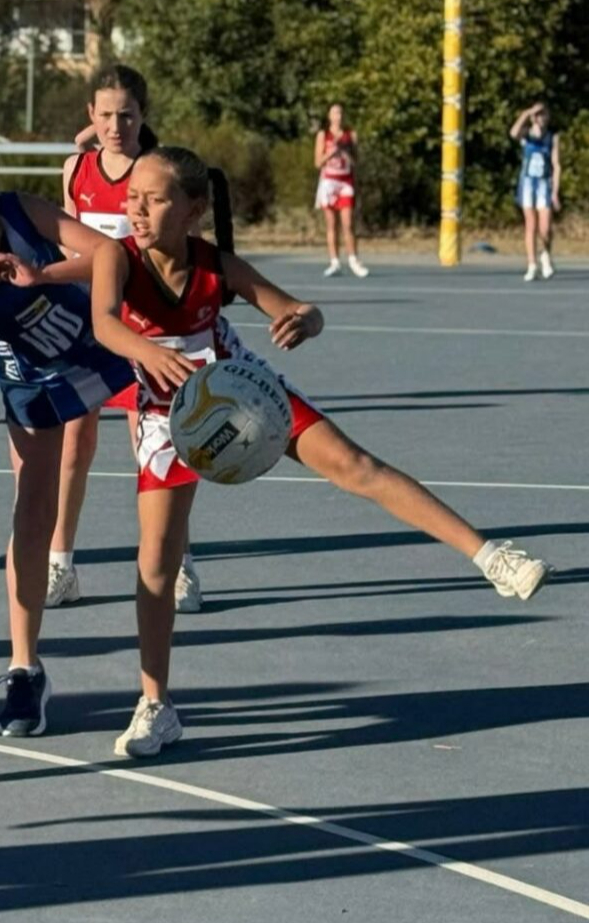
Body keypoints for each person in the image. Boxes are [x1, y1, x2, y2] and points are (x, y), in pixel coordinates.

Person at [82, 146, 550, 758]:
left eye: (154, 199)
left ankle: (492, 557)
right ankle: (156, 704)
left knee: (355, 465)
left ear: (194, 209)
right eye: (132, 198)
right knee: (156, 562)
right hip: (167, 411)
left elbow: (302, 309)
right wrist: (148, 352)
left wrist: (305, 320)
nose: (137, 209)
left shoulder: (216, 263)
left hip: (237, 387)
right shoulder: (117, 256)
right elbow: (105, 323)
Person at [48, 63, 203, 613]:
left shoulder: (157, 173)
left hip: (143, 331)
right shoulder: (76, 169)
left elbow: (180, 251)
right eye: (107, 115)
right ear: (91, 114)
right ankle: (61, 565)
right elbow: (70, 246)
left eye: (128, 115)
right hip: (87, 328)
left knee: (155, 452)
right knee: (73, 447)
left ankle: (178, 564)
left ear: (144, 115)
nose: (117, 126)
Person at [0, 191, 135, 737]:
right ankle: (24, 670)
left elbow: (110, 253)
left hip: (88, 345)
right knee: (33, 507)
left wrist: (42, 274)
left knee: (153, 459)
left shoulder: (19, 211)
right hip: (22, 372)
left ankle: (181, 557)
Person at [314, 103, 369, 278]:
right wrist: (331, 152)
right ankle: (334, 262)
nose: (338, 116)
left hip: (345, 182)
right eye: (335, 113)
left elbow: (356, 162)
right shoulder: (323, 135)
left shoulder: (350, 135)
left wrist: (345, 152)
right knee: (331, 224)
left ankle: (353, 260)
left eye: (341, 113)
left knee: (348, 223)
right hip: (329, 182)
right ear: (329, 116)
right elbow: (317, 163)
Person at [510, 102, 561, 282]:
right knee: (530, 225)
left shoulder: (552, 137)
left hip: (544, 184)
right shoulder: (527, 135)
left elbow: (556, 165)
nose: (541, 118)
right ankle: (532, 264)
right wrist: (527, 112)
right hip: (528, 183)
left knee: (545, 228)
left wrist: (555, 192)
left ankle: (545, 254)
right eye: (538, 115)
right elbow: (513, 133)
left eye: (543, 114)